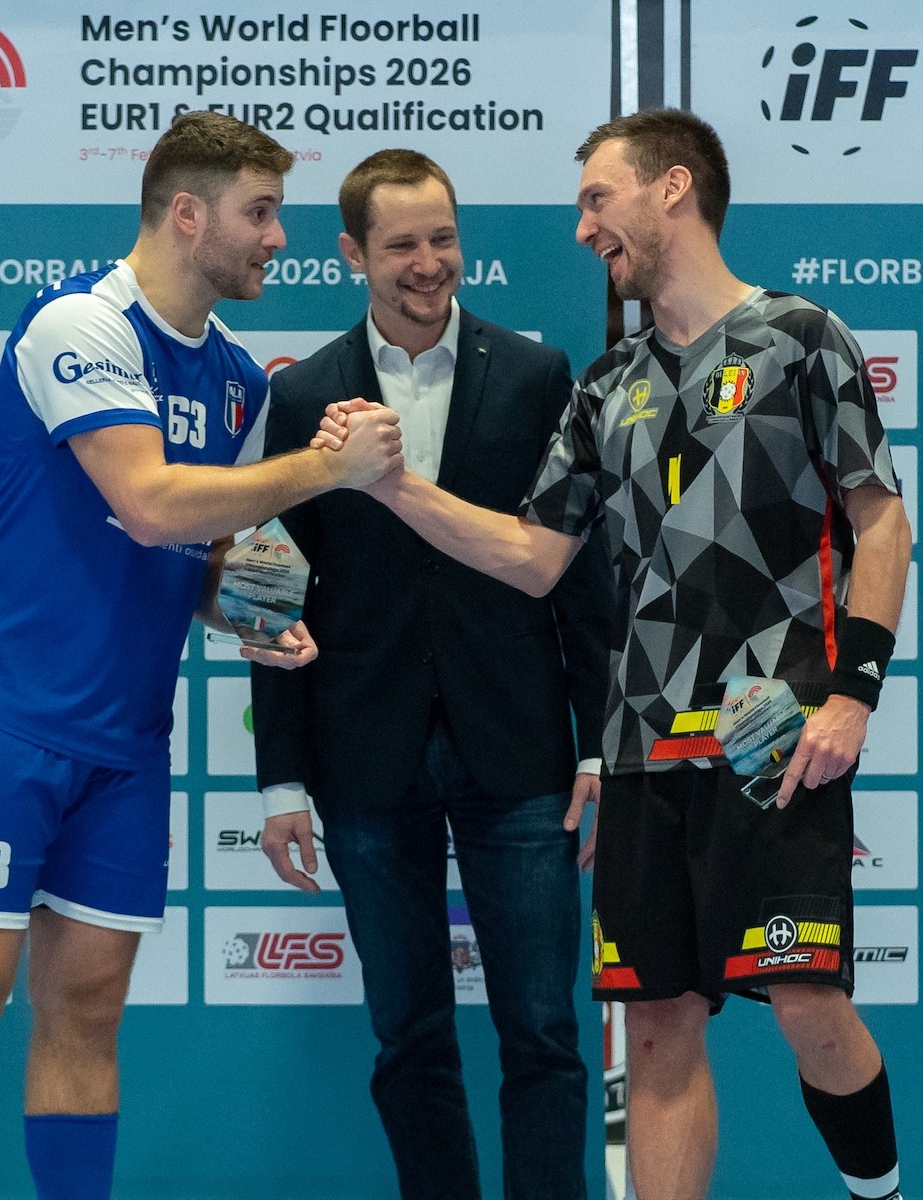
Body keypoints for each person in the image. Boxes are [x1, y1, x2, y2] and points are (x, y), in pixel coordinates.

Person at [317, 110, 913, 1200]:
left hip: (770, 742)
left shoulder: (800, 337)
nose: (584, 226)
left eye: (599, 198)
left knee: (806, 1003)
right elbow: (534, 556)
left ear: (671, 188)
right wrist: (393, 487)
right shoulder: (606, 384)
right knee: (656, 1026)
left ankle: (883, 1194)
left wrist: (854, 697)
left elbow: (882, 523)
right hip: (640, 752)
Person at [0, 112, 401, 1200]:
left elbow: (193, 556)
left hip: (125, 736)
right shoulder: (80, 322)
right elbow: (150, 501)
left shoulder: (237, 381)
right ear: (187, 214)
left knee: (85, 1011)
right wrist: (328, 468)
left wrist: (252, 613)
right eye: (260, 213)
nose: (278, 238)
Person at [248, 148, 613, 1200]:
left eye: (443, 238)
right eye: (401, 243)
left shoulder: (541, 377)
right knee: (407, 1032)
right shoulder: (304, 394)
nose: (427, 262)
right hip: (364, 758)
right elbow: (275, 592)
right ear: (352, 253)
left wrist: (599, 746)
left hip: (522, 750)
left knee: (543, 1032)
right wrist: (280, 781)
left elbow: (580, 578)